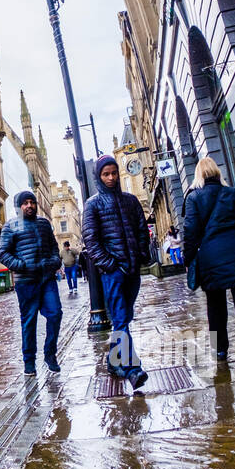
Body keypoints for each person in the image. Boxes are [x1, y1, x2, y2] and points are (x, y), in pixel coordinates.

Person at [182, 156, 235, 372]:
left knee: (215, 305)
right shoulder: (232, 193)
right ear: (218, 173)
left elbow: (190, 232)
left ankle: (220, 350)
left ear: (198, 175)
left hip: (211, 258)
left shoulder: (193, 198)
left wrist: (188, 258)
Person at [82, 155, 149, 389]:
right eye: (105, 174)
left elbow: (142, 230)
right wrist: (109, 264)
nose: (111, 178)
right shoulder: (93, 204)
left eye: (114, 173)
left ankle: (113, 361)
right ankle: (133, 370)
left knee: (125, 318)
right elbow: (91, 240)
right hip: (113, 272)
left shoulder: (131, 201)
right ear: (99, 177)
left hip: (132, 270)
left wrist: (141, 256)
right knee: (120, 318)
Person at [0, 190, 63, 375]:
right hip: (26, 282)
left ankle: (50, 354)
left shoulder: (44, 224)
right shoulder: (10, 226)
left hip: (47, 279)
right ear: (19, 206)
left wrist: (53, 262)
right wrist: (22, 265)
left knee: (55, 314)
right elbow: (3, 253)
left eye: (31, 202)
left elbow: (54, 249)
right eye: (25, 203)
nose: (29, 206)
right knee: (29, 321)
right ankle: (29, 361)